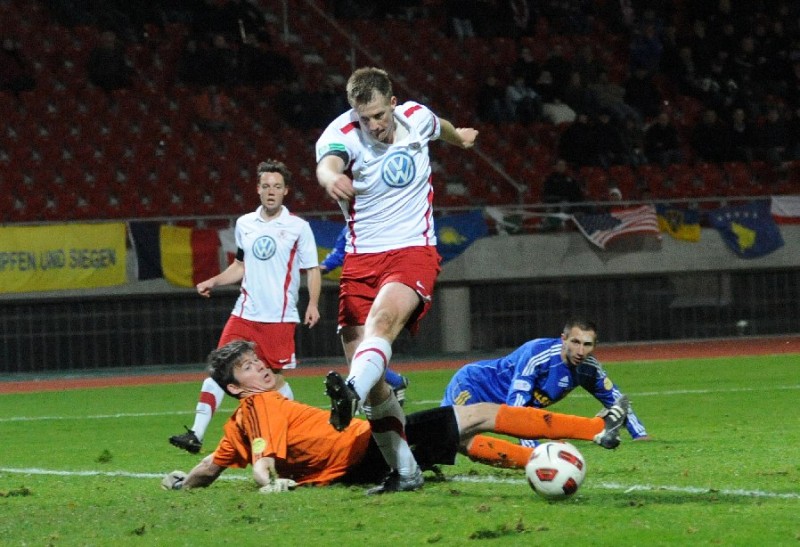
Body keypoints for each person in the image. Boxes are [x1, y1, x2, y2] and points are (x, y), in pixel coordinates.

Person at [161, 340, 629, 493]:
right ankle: (596, 427)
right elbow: (263, 463)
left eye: (256, 360)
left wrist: (182, 484)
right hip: (365, 449)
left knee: (462, 438)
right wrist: (269, 483)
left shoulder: (237, 424)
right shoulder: (259, 405)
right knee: (477, 414)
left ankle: (536, 463)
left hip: (360, 462)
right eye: (247, 368)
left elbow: (211, 467)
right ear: (235, 387)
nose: (261, 367)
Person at [314, 67, 478, 493]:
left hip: (412, 251)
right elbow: (328, 164)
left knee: (382, 323)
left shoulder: (416, 117)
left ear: (392, 102)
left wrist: (460, 138)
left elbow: (439, 126)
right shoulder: (342, 135)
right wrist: (331, 178)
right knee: (376, 388)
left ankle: (349, 391)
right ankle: (406, 472)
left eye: (379, 115)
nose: (373, 125)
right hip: (359, 261)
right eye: (364, 117)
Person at [169, 159, 322, 454]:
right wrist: (214, 280)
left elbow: (312, 269)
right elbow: (240, 266)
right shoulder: (245, 224)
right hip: (244, 312)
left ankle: (297, 433)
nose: (271, 191)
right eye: (266, 186)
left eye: (277, 186)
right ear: (258, 189)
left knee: (272, 382)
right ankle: (196, 434)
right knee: (220, 368)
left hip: (279, 317)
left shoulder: (298, 228)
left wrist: (313, 304)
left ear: (286, 191)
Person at [441, 318, 650, 454]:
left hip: (504, 406)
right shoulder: (538, 354)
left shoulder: (589, 368)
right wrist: (532, 449)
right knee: (449, 437)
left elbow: (616, 400)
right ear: (563, 339)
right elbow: (516, 407)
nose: (580, 351)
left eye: (587, 345)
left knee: (461, 443)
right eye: (575, 342)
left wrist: (639, 434)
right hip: (474, 384)